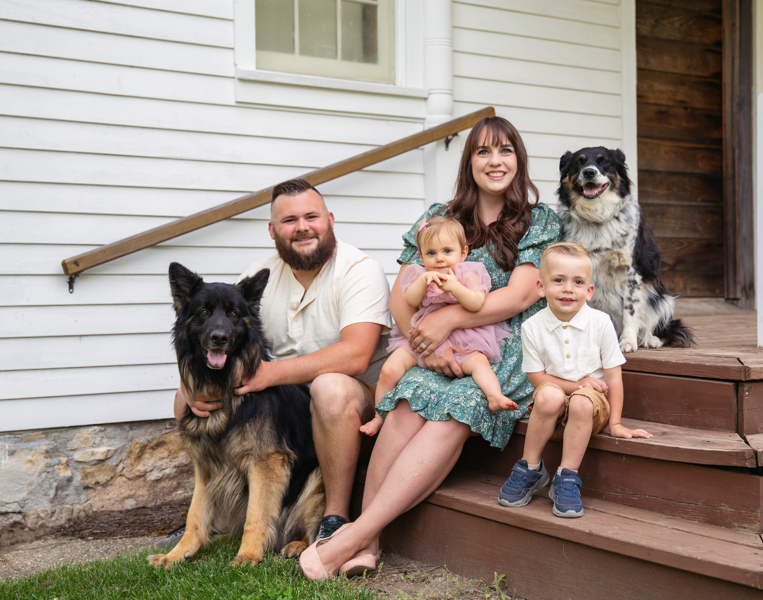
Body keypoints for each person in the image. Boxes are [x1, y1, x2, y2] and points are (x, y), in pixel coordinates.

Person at [298, 116, 561, 579]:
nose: (495, 161)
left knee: (455, 408)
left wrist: (450, 318)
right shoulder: (439, 217)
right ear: (469, 162)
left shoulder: (537, 220)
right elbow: (401, 295)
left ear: (518, 160)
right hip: (430, 346)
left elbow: (520, 295)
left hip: (502, 350)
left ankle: (356, 534)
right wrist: (424, 345)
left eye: (505, 151)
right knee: (407, 403)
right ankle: (370, 543)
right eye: (483, 152)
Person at [170, 178, 392, 543]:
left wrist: (270, 374)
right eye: (289, 221)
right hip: (283, 405)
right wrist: (190, 389)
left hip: (356, 403)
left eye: (311, 216)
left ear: (330, 220)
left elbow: (356, 354)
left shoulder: (359, 269)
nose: (302, 227)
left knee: (329, 389)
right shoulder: (257, 276)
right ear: (273, 231)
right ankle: (216, 513)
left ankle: (334, 515)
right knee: (184, 399)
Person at [497, 242, 652, 518]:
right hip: (553, 408)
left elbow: (614, 377)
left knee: (581, 401)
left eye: (578, 282)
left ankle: (566, 476)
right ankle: (530, 468)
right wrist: (579, 383)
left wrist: (615, 423)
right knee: (548, 394)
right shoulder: (532, 327)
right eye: (558, 280)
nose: (568, 288)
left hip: (590, 409)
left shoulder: (601, 322)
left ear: (589, 291)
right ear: (541, 288)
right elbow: (536, 378)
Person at [360, 216, 517, 437]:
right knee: (388, 370)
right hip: (424, 339)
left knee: (480, 363)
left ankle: (494, 396)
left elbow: (476, 303)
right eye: (431, 253)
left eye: (447, 251)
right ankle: (379, 416)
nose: (440, 259)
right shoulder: (419, 275)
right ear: (422, 256)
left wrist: (455, 287)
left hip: (462, 338)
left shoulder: (469, 274)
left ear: (463, 253)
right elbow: (411, 302)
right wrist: (422, 283)